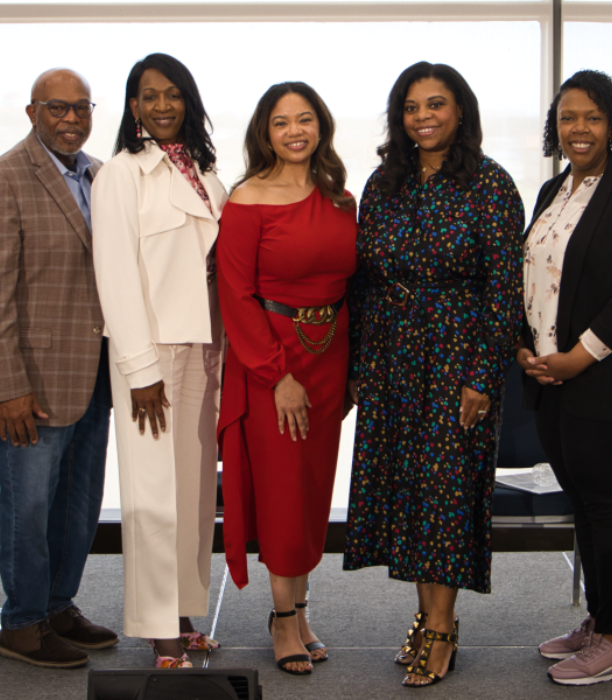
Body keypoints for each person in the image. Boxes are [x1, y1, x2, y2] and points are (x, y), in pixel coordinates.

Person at [344, 61, 525, 688]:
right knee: (408, 494)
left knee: (445, 493)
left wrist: (481, 377)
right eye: (412, 107)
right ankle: (425, 617)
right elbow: (364, 283)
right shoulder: (381, 184)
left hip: (456, 356)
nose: (423, 117)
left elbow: (506, 291)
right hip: (393, 356)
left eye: (436, 104)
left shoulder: (491, 184)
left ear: (460, 111)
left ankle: (443, 625)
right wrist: (362, 366)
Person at [519, 69, 612, 687]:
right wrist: (528, 350)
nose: (578, 129)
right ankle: (600, 616)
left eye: (592, 117)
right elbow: (532, 277)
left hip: (606, 379)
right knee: (583, 502)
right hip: (551, 378)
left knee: (610, 506)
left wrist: (578, 356)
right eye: (568, 117)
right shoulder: (554, 190)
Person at [0, 68, 117, 669]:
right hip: (31, 384)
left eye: (81, 108)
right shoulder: (2, 181)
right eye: (58, 108)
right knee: (29, 507)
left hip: (95, 374)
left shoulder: (99, 176)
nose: (71, 118)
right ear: (32, 113)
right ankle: (23, 625)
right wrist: (6, 389)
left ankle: (57, 605)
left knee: (78, 505)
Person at [217, 81, 357, 675]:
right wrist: (278, 374)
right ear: (264, 132)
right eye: (281, 122)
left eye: (305, 119)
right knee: (280, 488)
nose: (295, 130)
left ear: (320, 126)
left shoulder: (342, 198)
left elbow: (356, 286)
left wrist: (352, 369)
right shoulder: (247, 198)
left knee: (311, 489)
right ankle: (280, 618)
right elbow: (236, 296)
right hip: (272, 363)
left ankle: (300, 607)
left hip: (330, 358)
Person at [92, 53, 226, 669]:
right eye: (150, 96)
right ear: (133, 106)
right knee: (151, 496)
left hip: (203, 349)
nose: (163, 106)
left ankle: (183, 612)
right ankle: (157, 628)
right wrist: (140, 370)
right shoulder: (121, 174)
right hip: (152, 356)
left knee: (195, 495)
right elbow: (114, 277)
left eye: (174, 94)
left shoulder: (203, 169)